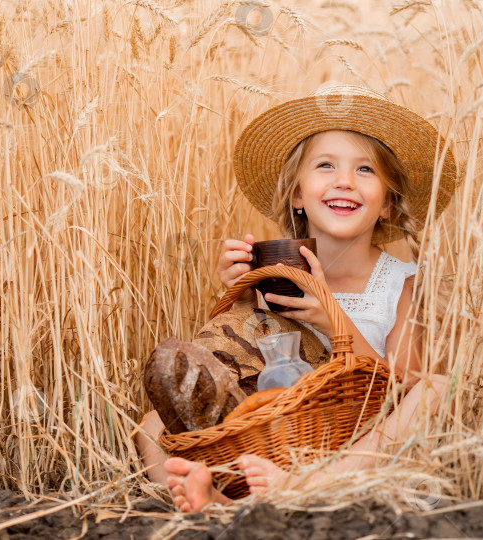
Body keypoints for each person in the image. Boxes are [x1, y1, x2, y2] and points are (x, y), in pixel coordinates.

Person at [136, 85, 458, 512]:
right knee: (150, 426)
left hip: (357, 445)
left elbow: (402, 388)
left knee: (436, 387)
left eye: (366, 170)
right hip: (277, 435)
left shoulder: (404, 284)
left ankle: (313, 486)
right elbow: (237, 368)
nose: (344, 180)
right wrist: (236, 295)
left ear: (387, 204)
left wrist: (332, 320)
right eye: (325, 166)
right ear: (298, 195)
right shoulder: (275, 275)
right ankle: (221, 501)